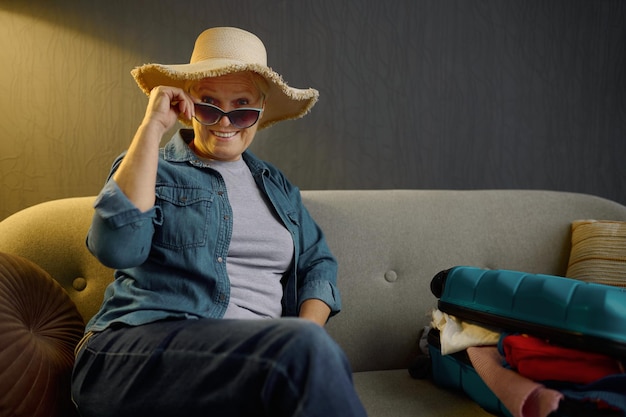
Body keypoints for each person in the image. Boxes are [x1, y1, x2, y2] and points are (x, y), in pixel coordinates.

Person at [71, 27, 367, 417]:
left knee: (308, 351)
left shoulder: (277, 187)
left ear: (260, 113)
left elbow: (318, 265)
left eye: (242, 107)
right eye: (209, 104)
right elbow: (117, 248)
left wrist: (307, 331)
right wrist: (152, 127)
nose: (225, 122)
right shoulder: (151, 167)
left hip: (254, 364)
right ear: (188, 104)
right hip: (133, 353)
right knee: (304, 352)